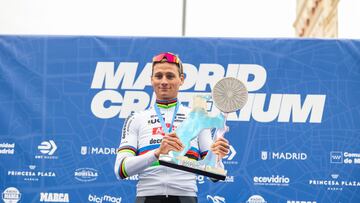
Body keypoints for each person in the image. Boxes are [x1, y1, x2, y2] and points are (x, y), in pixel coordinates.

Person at [114, 52, 230, 203]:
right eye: (158, 76)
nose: (163, 81)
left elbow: (215, 175)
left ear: (181, 79)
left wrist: (216, 157)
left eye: (170, 76)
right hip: (147, 197)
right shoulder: (136, 118)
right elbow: (120, 169)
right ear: (151, 80)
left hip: (186, 197)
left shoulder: (197, 118)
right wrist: (156, 154)